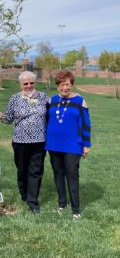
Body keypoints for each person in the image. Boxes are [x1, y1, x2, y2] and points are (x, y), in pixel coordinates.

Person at [0, 71, 49, 213]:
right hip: (20, 141)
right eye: (26, 83)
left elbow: (57, 106)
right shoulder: (14, 98)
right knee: (22, 169)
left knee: (36, 170)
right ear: (20, 85)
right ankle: (24, 193)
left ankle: (33, 201)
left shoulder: (43, 97)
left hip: (39, 141)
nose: (29, 86)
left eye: (31, 83)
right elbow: (8, 119)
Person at [45, 70, 91, 219]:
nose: (65, 88)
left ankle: (76, 210)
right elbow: (46, 120)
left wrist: (86, 144)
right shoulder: (52, 101)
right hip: (53, 144)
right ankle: (62, 204)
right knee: (58, 174)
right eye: (61, 85)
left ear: (72, 85)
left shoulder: (80, 101)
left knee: (72, 175)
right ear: (57, 86)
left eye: (67, 84)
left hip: (73, 145)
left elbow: (85, 124)